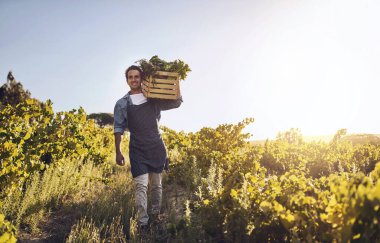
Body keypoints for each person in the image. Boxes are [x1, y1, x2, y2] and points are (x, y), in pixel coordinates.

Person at [113, 65, 182, 234]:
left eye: (137, 76)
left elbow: (176, 102)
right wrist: (118, 151)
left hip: (156, 146)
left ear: (142, 78)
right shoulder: (122, 103)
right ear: (127, 80)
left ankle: (155, 215)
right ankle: (143, 223)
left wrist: (176, 83)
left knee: (156, 186)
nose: (134, 80)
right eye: (130, 77)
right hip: (137, 148)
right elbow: (118, 128)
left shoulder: (153, 97)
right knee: (141, 186)